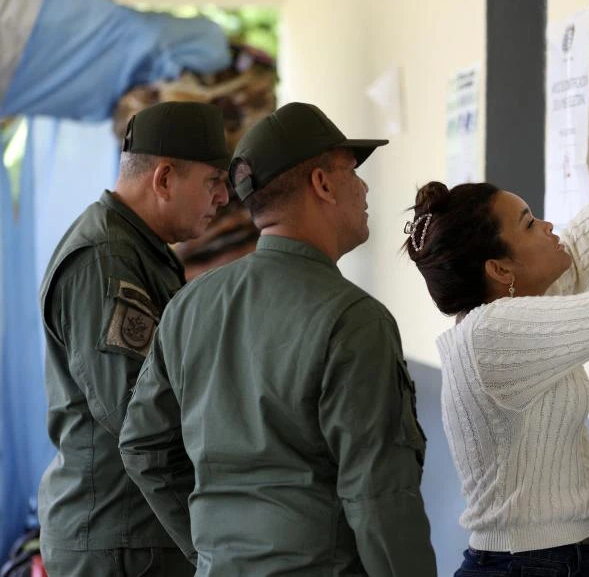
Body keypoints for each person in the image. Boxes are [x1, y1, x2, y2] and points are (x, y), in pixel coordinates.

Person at [118, 102, 437, 576]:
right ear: (322, 184)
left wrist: (209, 550)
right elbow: (380, 497)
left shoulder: (189, 305)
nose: (364, 187)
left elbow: (144, 446)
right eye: (352, 171)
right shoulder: (352, 320)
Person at [404, 120, 589, 577]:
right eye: (529, 224)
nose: (547, 225)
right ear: (500, 269)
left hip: (547, 560)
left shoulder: (502, 315)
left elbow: (571, 256)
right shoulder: (493, 335)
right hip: (525, 566)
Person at [38, 101, 231, 576]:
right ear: (163, 179)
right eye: (213, 181)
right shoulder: (107, 258)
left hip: (132, 534)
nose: (224, 198)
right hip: (120, 542)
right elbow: (139, 416)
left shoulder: (136, 249)